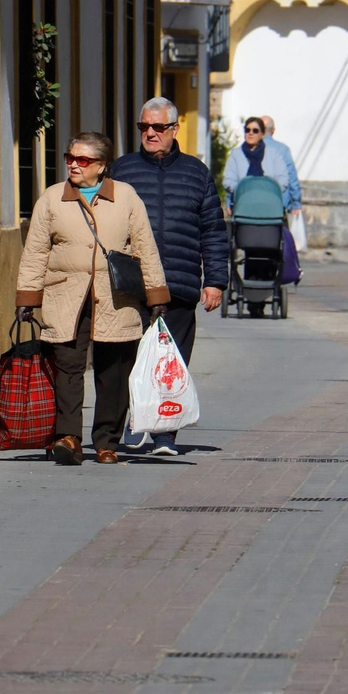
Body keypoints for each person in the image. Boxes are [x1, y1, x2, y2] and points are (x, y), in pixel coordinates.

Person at [14, 132, 170, 466]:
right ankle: (68, 437)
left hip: (117, 298)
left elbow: (145, 246)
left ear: (101, 166)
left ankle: (106, 442)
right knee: (67, 368)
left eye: (82, 160)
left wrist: (156, 293)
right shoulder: (52, 198)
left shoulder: (126, 197)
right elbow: (35, 251)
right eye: (70, 157)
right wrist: (28, 296)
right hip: (65, 295)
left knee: (113, 371)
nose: (73, 164)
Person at [111, 97, 230, 455]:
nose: (150, 133)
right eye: (143, 127)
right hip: (133, 285)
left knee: (171, 362)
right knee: (129, 358)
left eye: (157, 127)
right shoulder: (122, 170)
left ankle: (166, 433)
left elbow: (212, 229)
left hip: (178, 283)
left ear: (174, 129)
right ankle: (134, 422)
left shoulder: (196, 172)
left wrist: (215, 281)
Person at [223, 116, 292, 206]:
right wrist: (244, 190)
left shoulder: (274, 153)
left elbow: (283, 179)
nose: (251, 133)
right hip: (243, 203)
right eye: (247, 130)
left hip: (269, 204)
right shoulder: (236, 154)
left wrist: (268, 191)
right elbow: (228, 181)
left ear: (262, 134)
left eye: (255, 130)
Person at [260, 115, 304, 216]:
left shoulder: (249, 149)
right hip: (279, 204)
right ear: (273, 130)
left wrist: (229, 201)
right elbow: (292, 176)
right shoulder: (283, 149)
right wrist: (296, 203)